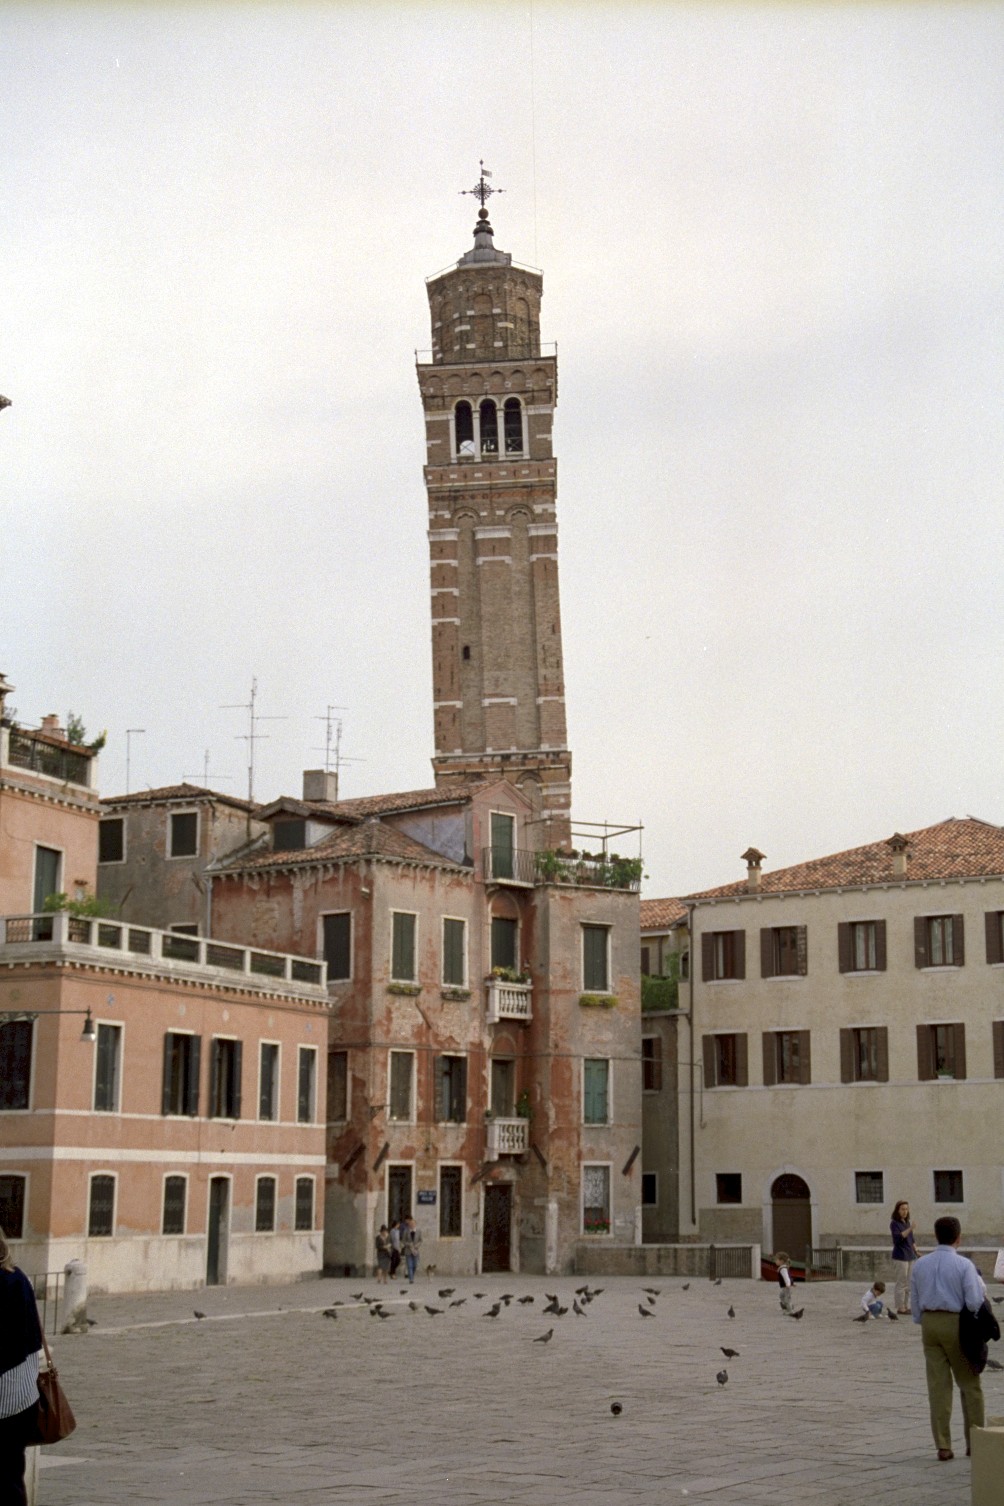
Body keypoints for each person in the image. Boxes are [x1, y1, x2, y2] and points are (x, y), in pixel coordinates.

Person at [911, 1215, 986, 1461]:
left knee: (938, 1386)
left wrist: (924, 1319)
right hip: (956, 1323)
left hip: (930, 1323)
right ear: (958, 1237)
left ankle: (943, 1444)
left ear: (936, 1236)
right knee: (969, 1384)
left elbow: (914, 1302)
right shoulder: (964, 1265)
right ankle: (975, 1441)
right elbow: (974, 1301)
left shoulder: (921, 1264)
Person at [0, 1228, 43, 1506]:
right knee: (11, 1476)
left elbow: (10, 1346)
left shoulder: (8, 1283)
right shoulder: (19, 1278)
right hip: (23, 1397)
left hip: (6, 1399)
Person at [890, 1199, 919, 1314]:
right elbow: (898, 1238)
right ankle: (900, 1307)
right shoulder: (894, 1223)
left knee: (908, 1283)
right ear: (897, 1210)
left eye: (906, 1209)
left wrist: (916, 1251)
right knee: (901, 1283)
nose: (905, 1211)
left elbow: (911, 1240)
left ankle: (905, 1306)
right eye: (902, 1209)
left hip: (910, 1256)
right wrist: (911, 1228)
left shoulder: (906, 1223)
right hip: (900, 1256)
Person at [402, 1214, 422, 1283]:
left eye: (413, 1224)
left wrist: (417, 1245)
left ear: (415, 1224)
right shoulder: (406, 1231)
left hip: (415, 1251)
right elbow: (403, 1241)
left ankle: (412, 1275)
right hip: (408, 1251)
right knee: (409, 1265)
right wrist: (408, 1244)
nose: (412, 1225)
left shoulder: (418, 1231)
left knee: (415, 1265)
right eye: (411, 1224)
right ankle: (411, 1279)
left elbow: (421, 1240)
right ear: (409, 1224)